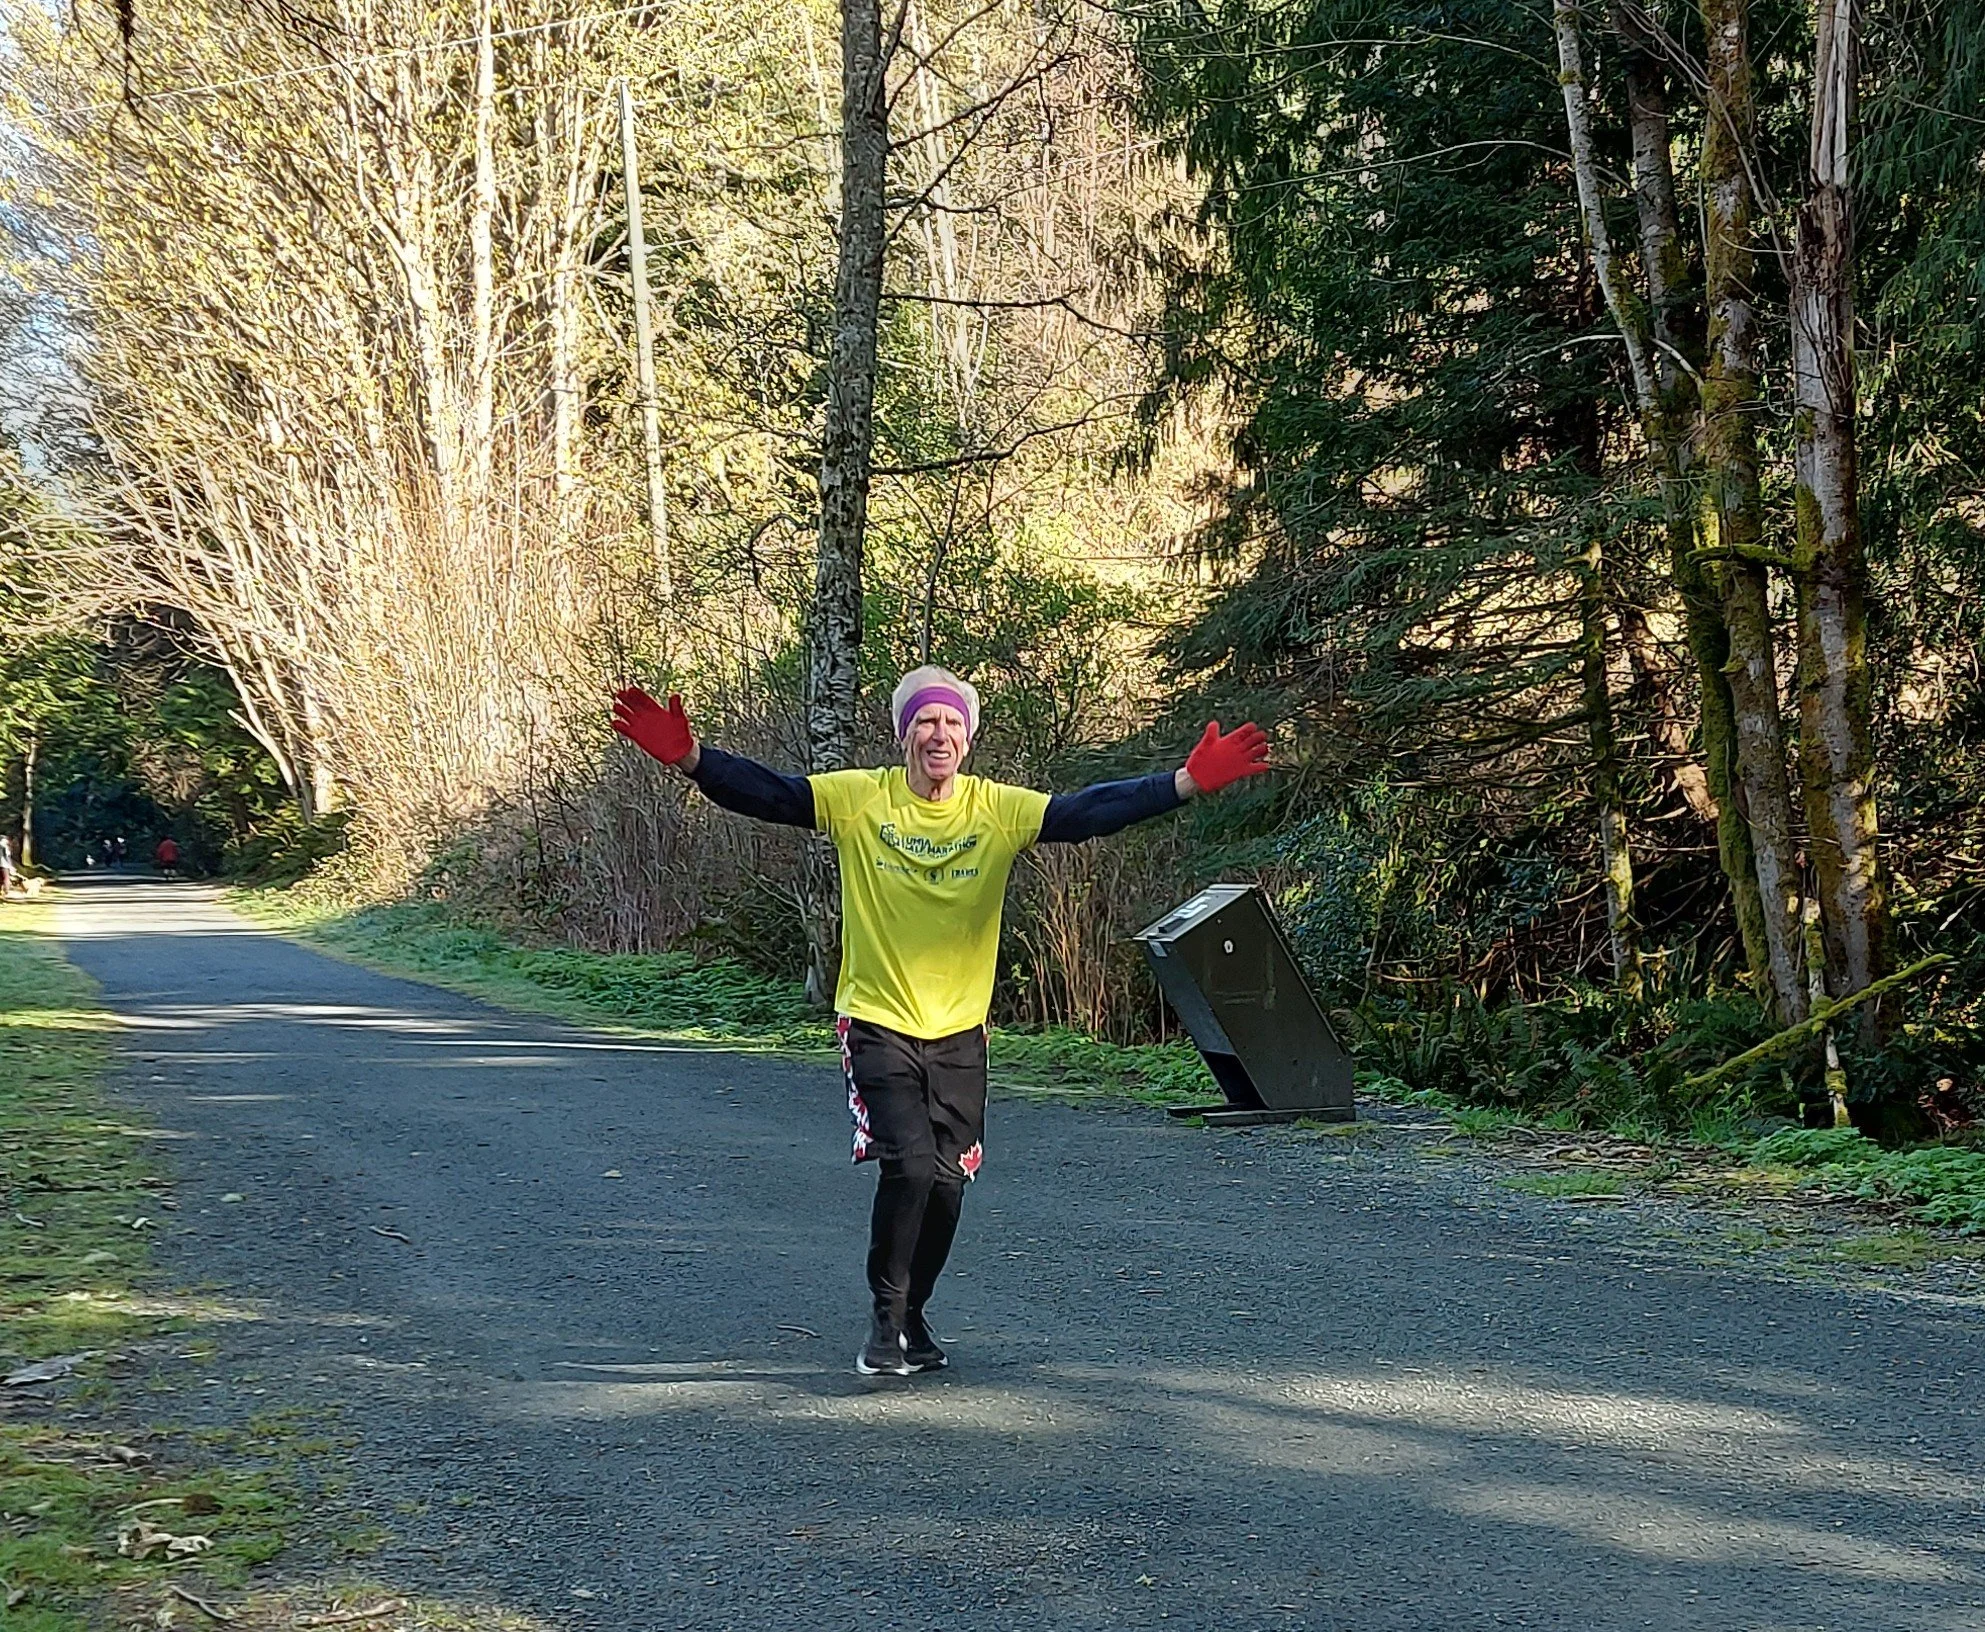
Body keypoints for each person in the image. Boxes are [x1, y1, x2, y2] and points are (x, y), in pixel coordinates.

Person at [611, 666, 1271, 1376]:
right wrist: (692, 761)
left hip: (959, 1031)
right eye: (925, 721)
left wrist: (1184, 783)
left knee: (949, 1182)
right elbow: (771, 794)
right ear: (903, 735)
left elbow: (1088, 812)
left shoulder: (995, 810)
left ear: (968, 738)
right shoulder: (861, 799)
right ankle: (884, 1317)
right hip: (876, 1020)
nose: (939, 734)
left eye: (952, 722)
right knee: (910, 1163)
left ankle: (913, 1314)